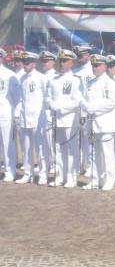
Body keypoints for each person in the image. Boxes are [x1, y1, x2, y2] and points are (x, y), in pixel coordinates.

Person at [46, 49, 83, 188]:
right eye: (60, 61)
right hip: (57, 119)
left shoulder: (75, 80)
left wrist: (61, 108)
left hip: (69, 119)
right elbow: (48, 96)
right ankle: (60, 176)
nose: (62, 63)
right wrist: (52, 104)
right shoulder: (54, 80)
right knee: (59, 149)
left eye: (65, 61)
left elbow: (77, 101)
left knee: (71, 150)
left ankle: (72, 177)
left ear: (71, 63)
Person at [80, 54, 115, 191]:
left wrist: (93, 108)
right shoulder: (90, 83)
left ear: (105, 66)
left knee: (107, 154)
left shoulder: (109, 83)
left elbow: (111, 103)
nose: (94, 68)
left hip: (105, 124)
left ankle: (109, 179)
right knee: (93, 154)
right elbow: (83, 100)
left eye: (97, 65)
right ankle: (95, 180)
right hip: (91, 124)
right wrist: (85, 107)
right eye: (93, 65)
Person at [14, 52, 48, 184]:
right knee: (26, 148)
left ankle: (43, 174)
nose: (25, 65)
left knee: (40, 148)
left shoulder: (41, 78)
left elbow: (46, 98)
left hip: (38, 118)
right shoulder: (22, 78)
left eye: (27, 62)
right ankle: (28, 173)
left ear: (34, 64)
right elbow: (21, 99)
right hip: (24, 117)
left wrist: (47, 116)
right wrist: (17, 114)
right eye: (24, 62)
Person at [73, 44, 94, 175]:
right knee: (77, 140)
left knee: (89, 141)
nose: (80, 58)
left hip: (88, 109)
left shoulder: (93, 70)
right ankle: (79, 165)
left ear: (89, 55)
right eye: (79, 55)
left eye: (82, 55)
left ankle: (90, 166)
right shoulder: (74, 70)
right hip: (76, 109)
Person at [0, 47, 20, 182]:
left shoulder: (9, 75)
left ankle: (10, 171)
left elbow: (17, 97)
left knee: (7, 143)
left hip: (5, 112)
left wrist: (14, 113)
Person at [38, 50, 58, 179]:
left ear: (53, 62)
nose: (44, 63)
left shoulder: (56, 76)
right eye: (43, 61)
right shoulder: (40, 76)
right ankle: (46, 165)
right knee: (43, 141)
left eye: (46, 61)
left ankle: (54, 164)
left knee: (52, 141)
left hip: (51, 112)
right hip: (41, 113)